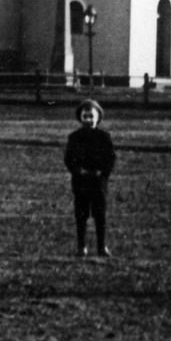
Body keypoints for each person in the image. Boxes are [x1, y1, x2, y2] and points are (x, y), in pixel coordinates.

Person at [64, 99, 115, 257]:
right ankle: (81, 246)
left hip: (98, 182)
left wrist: (103, 173)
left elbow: (110, 158)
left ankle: (101, 246)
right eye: (85, 116)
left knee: (100, 215)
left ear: (98, 117)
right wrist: (77, 170)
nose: (88, 120)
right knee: (81, 215)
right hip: (81, 182)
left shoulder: (104, 137)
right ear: (80, 118)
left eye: (91, 116)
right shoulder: (74, 137)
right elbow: (68, 158)